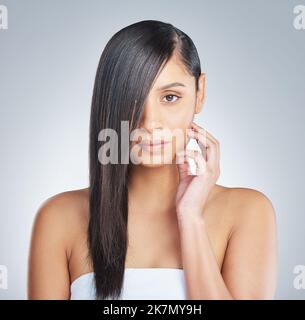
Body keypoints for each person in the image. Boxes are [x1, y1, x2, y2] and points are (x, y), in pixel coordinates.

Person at [28, 20, 277, 300]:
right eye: (133, 99)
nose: (150, 122)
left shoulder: (247, 212)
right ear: (108, 103)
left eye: (170, 97)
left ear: (200, 92)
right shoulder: (58, 218)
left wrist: (191, 218)